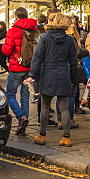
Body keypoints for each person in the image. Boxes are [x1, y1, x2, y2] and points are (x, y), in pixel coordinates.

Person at [29, 13, 78, 147]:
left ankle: (42, 135)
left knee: (45, 106)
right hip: (63, 75)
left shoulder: (44, 37)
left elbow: (37, 57)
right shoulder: (69, 40)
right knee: (64, 108)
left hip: (48, 74)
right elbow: (74, 61)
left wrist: (33, 75)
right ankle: (66, 137)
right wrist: (73, 78)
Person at [1, 8, 39, 135]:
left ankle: (21, 117)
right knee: (25, 96)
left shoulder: (13, 31)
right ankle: (23, 125)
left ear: (16, 16)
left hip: (16, 67)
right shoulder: (35, 30)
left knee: (10, 94)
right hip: (30, 68)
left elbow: (6, 51)